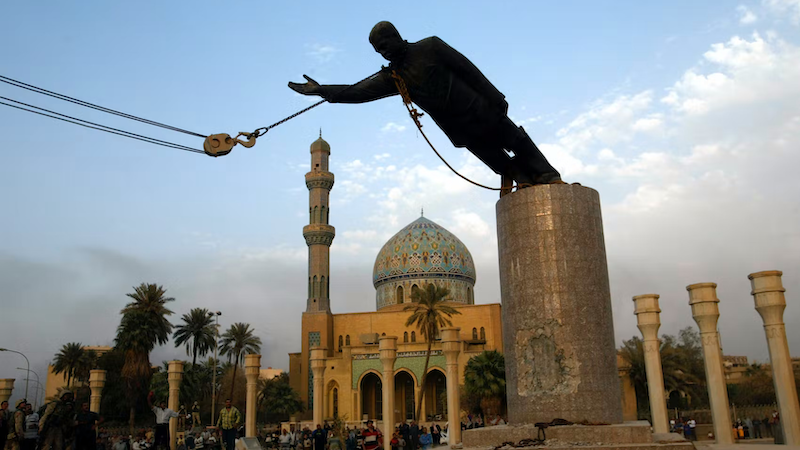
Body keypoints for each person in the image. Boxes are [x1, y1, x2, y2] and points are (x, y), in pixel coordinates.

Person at [288, 21, 562, 187]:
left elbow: (468, 69)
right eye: (378, 50)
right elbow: (358, 92)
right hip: (459, 127)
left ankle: (547, 175)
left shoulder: (430, 46)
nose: (383, 51)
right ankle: (523, 180)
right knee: (494, 157)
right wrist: (322, 90)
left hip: (480, 108)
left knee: (516, 139)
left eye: (385, 44)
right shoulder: (394, 77)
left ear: (396, 36)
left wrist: (496, 96)